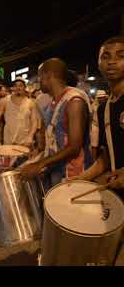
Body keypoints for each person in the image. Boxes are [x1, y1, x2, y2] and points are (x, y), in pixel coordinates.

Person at [21, 58, 92, 191]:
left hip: (73, 174)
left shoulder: (74, 101)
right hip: (57, 171)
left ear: (49, 76)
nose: (38, 82)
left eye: (40, 78)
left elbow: (74, 147)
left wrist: (40, 164)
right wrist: (38, 156)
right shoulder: (53, 103)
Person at [71, 37, 124, 195]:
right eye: (106, 56)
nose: (112, 62)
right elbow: (107, 156)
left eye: (121, 56)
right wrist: (81, 178)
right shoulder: (104, 109)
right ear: (99, 64)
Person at [0, 78, 40, 149]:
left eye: (21, 85)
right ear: (12, 88)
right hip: (8, 140)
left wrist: (30, 136)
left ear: (25, 88)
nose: (18, 88)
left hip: (25, 142)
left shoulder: (31, 103)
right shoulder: (5, 101)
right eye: (15, 86)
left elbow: (34, 121)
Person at [90, 90, 109, 162]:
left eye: (102, 97)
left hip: (105, 125)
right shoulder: (94, 106)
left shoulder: (108, 105)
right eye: (99, 98)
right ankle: (94, 160)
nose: (101, 99)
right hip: (96, 125)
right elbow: (91, 116)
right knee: (94, 143)